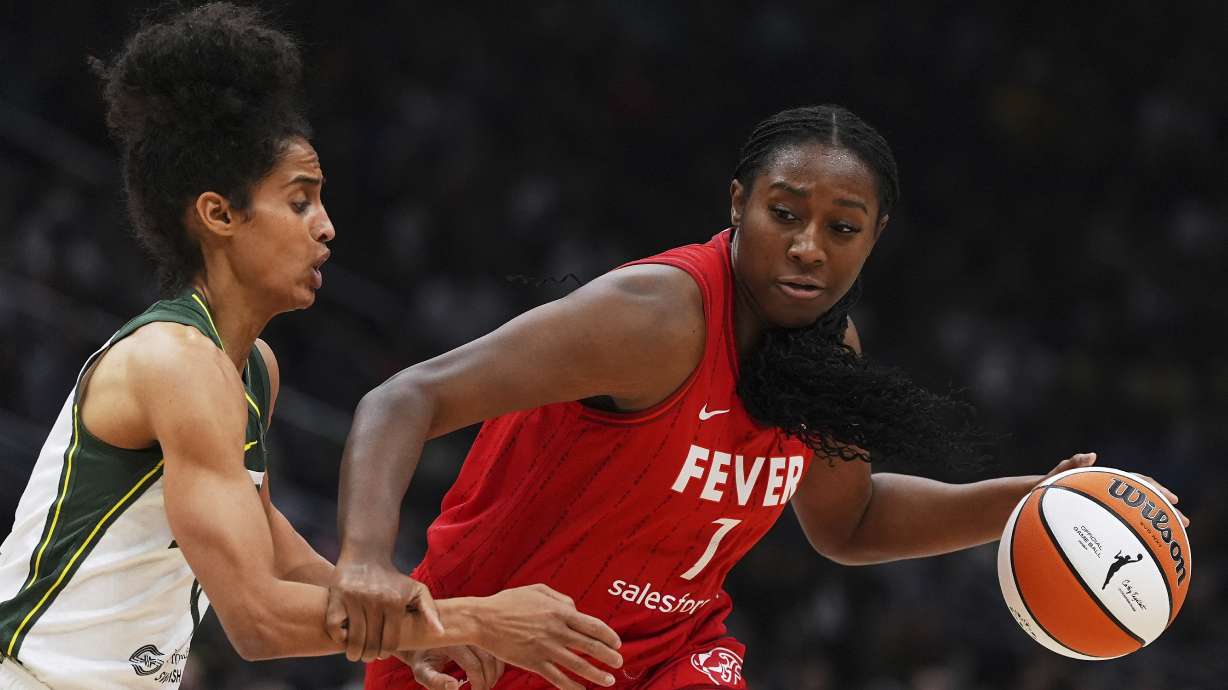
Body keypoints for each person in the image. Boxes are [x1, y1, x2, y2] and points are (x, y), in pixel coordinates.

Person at [327, 104, 1189, 690]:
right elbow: (406, 397)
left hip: (668, 658)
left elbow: (848, 523)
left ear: (874, 238)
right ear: (738, 205)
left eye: (842, 228)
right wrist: (368, 561)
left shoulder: (828, 351)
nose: (809, 247)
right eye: (785, 214)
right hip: (488, 653)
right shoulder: (654, 318)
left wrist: (1032, 503)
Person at [0, 5, 620, 689]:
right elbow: (258, 620)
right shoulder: (174, 362)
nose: (325, 228)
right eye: (300, 202)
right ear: (219, 214)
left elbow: (272, 547)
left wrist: (414, 632)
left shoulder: (250, 369)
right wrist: (479, 620)